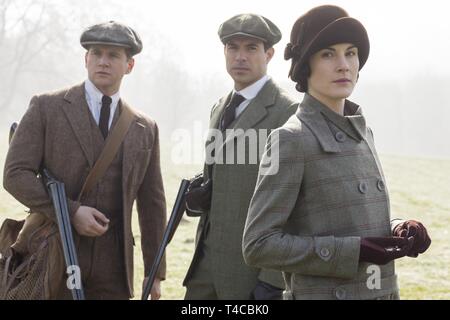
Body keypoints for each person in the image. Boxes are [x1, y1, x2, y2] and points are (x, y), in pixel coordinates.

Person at [242, 5, 431, 300]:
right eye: (328, 54)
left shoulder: (362, 131)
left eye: (351, 52)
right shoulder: (291, 139)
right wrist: (352, 252)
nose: (344, 65)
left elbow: (354, 219)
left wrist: (399, 228)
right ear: (306, 66)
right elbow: (258, 244)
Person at [3, 21, 166, 300]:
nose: (103, 61)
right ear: (86, 59)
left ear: (129, 65)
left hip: (114, 268)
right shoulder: (46, 107)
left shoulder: (144, 127)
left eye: (113, 55)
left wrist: (154, 272)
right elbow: (15, 174)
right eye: (96, 53)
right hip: (52, 254)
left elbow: (152, 204)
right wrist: (70, 212)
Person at [183, 13, 297, 300]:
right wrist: (201, 197)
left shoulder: (288, 113)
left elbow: (295, 203)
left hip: (250, 274)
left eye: (251, 48)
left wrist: (272, 281)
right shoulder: (219, 107)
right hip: (204, 268)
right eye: (233, 47)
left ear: (269, 54)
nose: (240, 57)